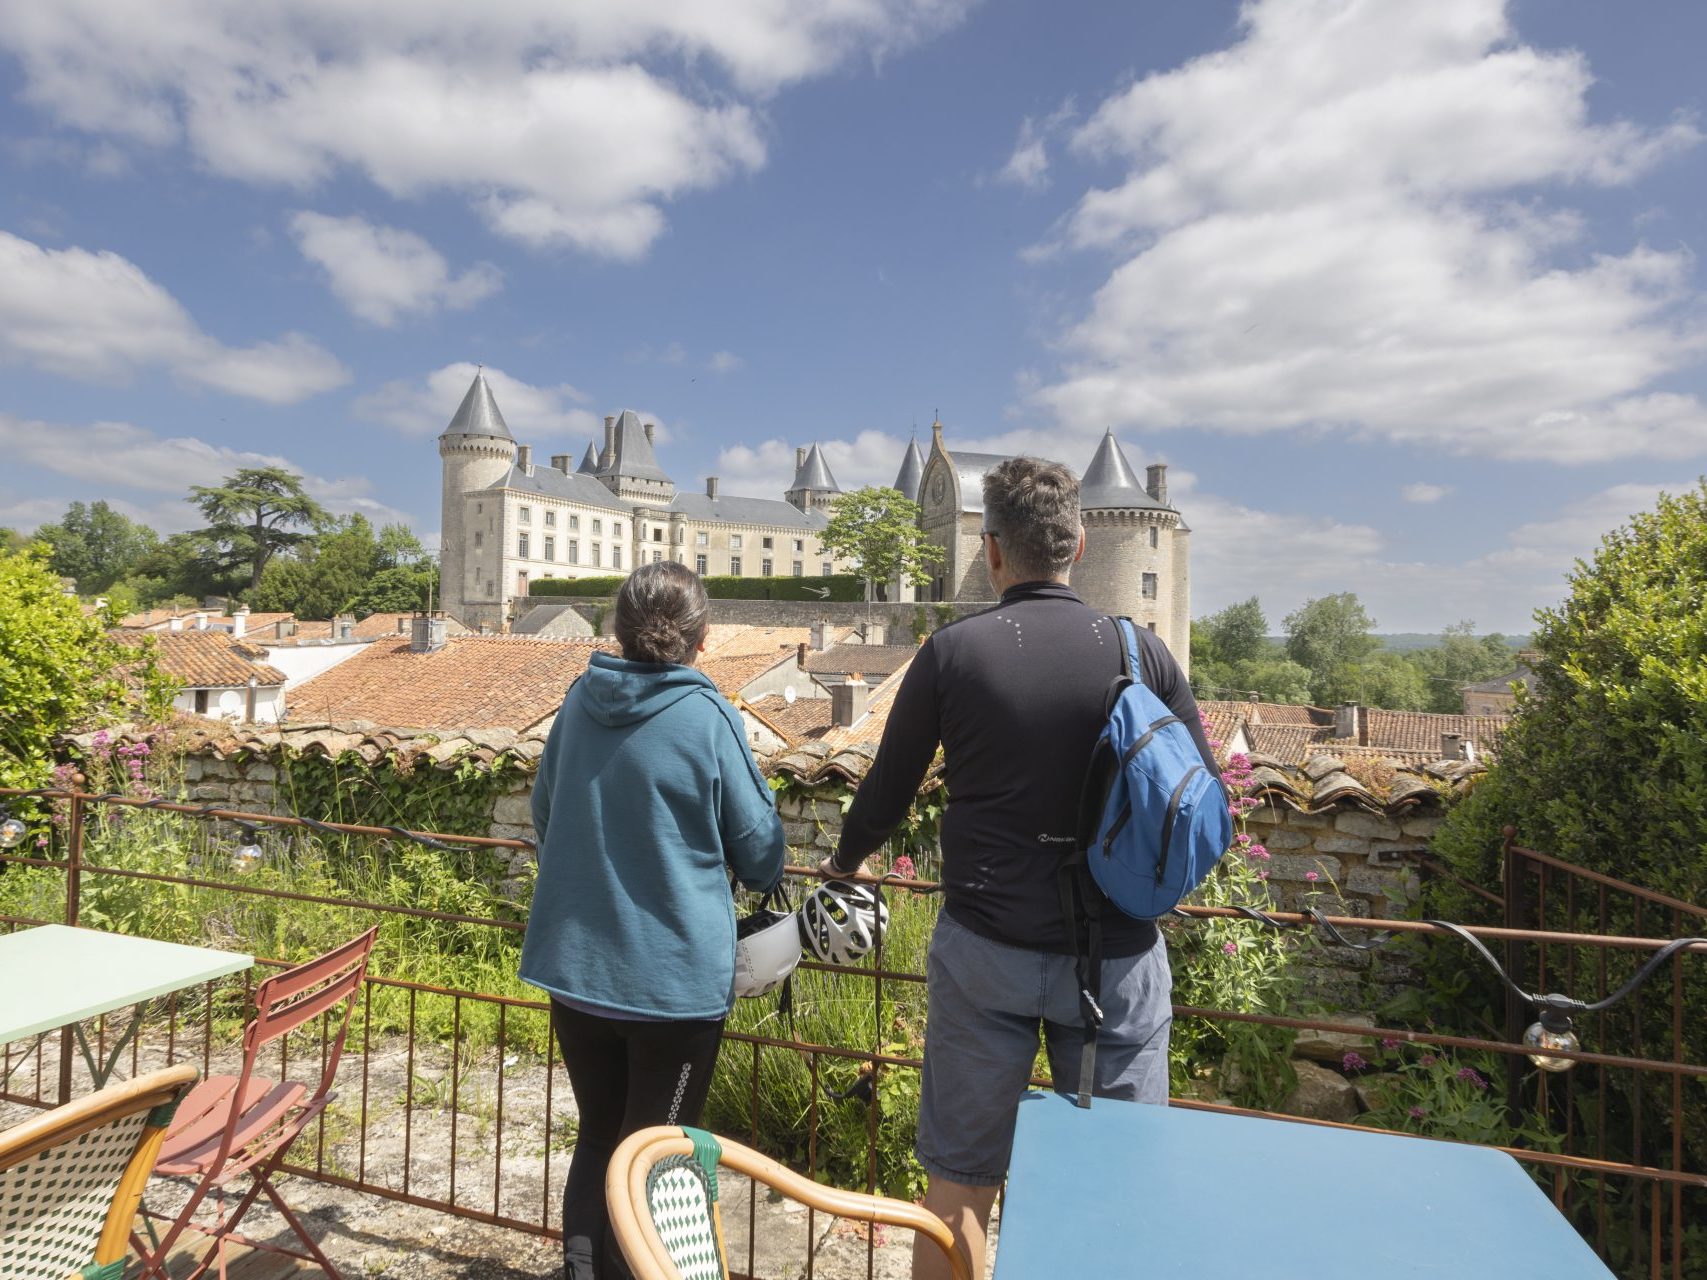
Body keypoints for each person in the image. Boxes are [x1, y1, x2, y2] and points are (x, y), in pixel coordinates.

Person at [818, 456, 1220, 1280]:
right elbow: (1201, 800)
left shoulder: (954, 652)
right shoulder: (1141, 653)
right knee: (1118, 1178)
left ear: (992, 550)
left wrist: (844, 862)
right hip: (1115, 954)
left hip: (986, 947)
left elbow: (889, 791)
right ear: (1077, 542)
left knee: (958, 1186)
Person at [521, 561, 786, 1280]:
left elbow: (543, 815)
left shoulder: (579, 698)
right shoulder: (706, 715)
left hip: (574, 968)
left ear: (617, 629)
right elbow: (760, 854)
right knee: (660, 1158)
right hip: (671, 987)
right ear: (701, 640)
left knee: (600, 1139)